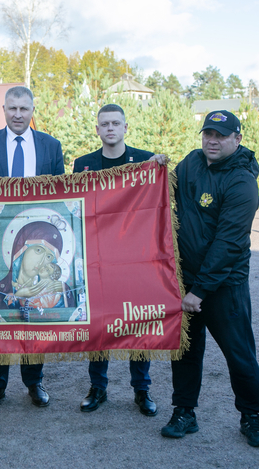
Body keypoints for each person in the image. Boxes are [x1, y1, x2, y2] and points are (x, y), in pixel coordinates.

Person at [160, 110, 259, 448]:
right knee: (186, 353)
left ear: (237, 139)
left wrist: (199, 291)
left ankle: (251, 416)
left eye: (221, 135)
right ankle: (184, 412)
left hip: (224, 287)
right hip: (187, 279)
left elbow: (229, 244)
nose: (212, 140)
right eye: (208, 132)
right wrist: (155, 169)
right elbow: (162, 194)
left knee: (239, 354)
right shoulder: (192, 162)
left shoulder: (241, 182)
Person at [0, 85, 65, 410]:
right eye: (12, 108)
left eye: (24, 108)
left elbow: (60, 194)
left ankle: (34, 383)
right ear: (4, 109)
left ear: (32, 109)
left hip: (37, 244)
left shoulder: (51, 146)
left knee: (33, 316)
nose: (18, 114)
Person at [72, 103, 166, 416]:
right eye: (105, 124)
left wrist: (161, 166)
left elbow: (160, 203)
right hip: (96, 258)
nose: (110, 128)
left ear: (126, 127)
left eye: (116, 123)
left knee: (137, 321)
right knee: (98, 323)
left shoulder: (145, 160)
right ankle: (97, 387)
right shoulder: (83, 165)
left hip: (135, 260)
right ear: (97, 130)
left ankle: (142, 390)